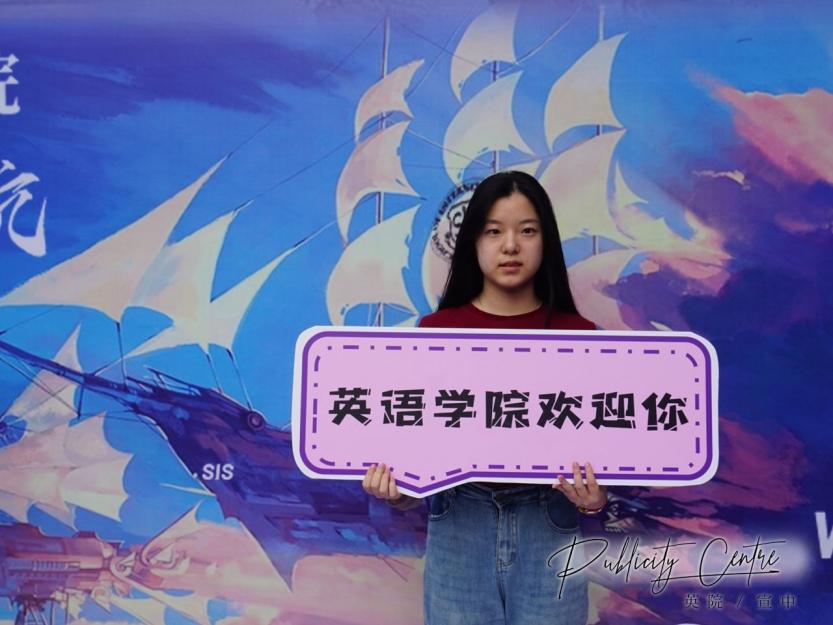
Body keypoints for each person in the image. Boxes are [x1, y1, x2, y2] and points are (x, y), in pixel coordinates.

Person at [363, 171, 607, 625]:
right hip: (460, 517)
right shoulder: (435, 332)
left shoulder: (580, 336)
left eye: (527, 231)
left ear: (546, 241)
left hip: (550, 520)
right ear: (472, 241)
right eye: (494, 231)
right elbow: (417, 448)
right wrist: (397, 494)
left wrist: (593, 499)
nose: (510, 246)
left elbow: (607, 447)